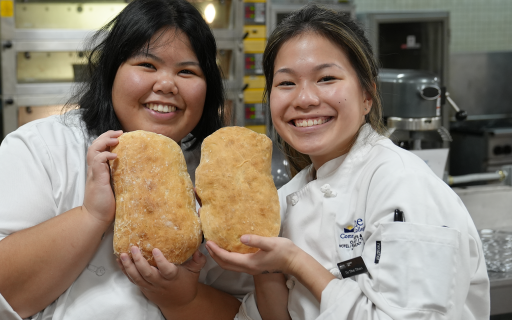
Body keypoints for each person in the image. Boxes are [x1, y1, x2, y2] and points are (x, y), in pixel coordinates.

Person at [0, 0, 253, 319]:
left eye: (187, 71)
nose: (166, 84)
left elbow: (252, 306)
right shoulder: (45, 147)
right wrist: (90, 216)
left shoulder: (218, 177)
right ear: (112, 70)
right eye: (147, 65)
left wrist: (182, 299)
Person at [205, 4, 490, 320]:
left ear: (367, 95)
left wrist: (294, 261)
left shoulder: (402, 183)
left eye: (326, 78)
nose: (305, 99)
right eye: (286, 83)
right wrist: (267, 268)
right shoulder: (284, 202)